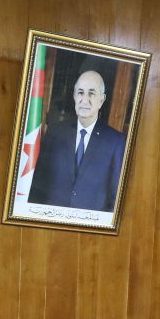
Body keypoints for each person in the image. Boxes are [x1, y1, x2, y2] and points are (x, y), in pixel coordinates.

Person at [27, 68, 128, 212]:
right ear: (74, 96)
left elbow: (116, 200)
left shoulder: (116, 142)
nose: (84, 100)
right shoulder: (55, 132)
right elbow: (38, 186)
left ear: (101, 100)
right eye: (80, 92)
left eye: (91, 93)